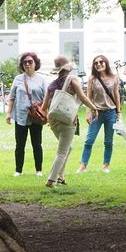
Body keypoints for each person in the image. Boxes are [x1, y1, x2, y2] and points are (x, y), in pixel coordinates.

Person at [40, 55, 99, 188]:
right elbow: (82, 97)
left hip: (54, 121)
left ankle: (60, 176)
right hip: (67, 120)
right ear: (67, 68)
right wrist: (94, 108)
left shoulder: (51, 85)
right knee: (62, 151)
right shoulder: (72, 80)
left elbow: (44, 107)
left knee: (68, 147)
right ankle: (51, 180)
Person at [76, 54, 122, 174]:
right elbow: (88, 97)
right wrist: (87, 112)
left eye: (101, 62)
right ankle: (83, 166)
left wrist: (118, 112)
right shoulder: (92, 79)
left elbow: (117, 96)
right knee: (89, 140)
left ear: (106, 63)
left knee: (108, 141)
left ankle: (106, 165)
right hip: (96, 113)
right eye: (96, 63)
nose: (99, 64)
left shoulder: (114, 78)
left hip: (111, 113)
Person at [5, 51, 46, 177]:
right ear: (22, 65)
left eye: (30, 61)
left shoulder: (41, 80)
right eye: (25, 62)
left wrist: (47, 114)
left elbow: (46, 99)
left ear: (35, 63)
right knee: (20, 145)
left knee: (37, 144)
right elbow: (12, 98)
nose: (28, 64)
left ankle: (39, 170)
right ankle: (18, 170)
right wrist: (9, 114)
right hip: (21, 116)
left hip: (36, 116)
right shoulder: (18, 79)